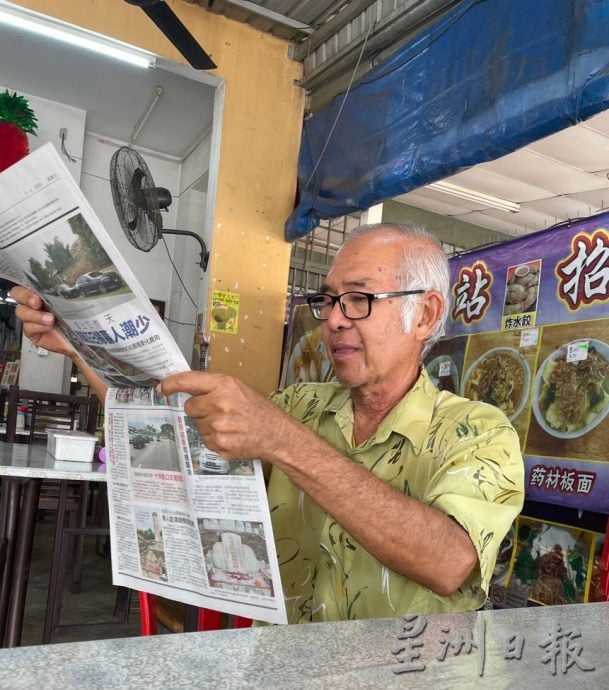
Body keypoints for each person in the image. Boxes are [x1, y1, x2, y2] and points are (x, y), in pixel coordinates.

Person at [12, 223, 524, 623]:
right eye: (328, 300)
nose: (334, 319)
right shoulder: (302, 404)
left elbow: (449, 562)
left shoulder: (479, 432)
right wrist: (81, 346)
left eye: (359, 299)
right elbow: (178, 429)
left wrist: (284, 442)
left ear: (427, 314)